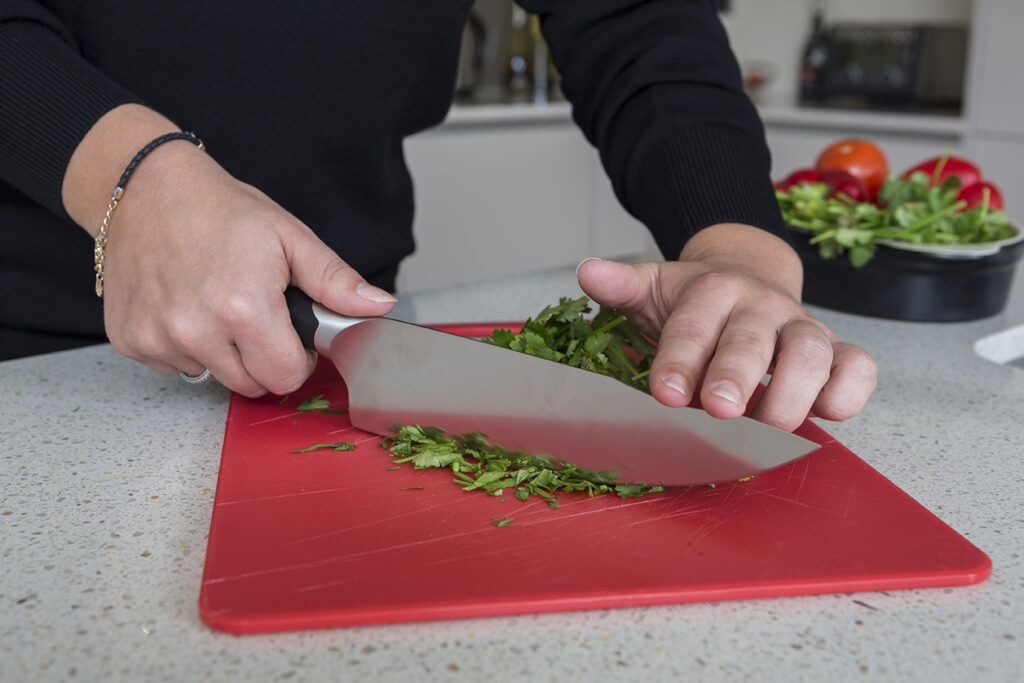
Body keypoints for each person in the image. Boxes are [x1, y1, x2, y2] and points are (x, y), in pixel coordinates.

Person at [0, 1, 876, 432]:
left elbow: (636, 18)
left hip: (338, 343)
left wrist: (737, 242)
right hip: (39, 362)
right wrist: (130, 178)